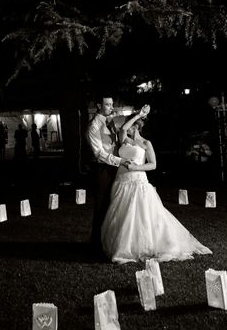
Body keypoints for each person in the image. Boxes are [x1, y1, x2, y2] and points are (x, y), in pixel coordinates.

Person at [101, 106, 212, 264]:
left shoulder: (146, 143)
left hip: (138, 181)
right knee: (121, 215)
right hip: (121, 181)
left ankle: (141, 246)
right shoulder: (124, 139)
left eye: (132, 124)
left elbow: (153, 165)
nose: (127, 127)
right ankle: (123, 245)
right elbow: (123, 128)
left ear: (138, 126)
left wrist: (136, 167)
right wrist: (138, 114)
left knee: (140, 216)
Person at [85, 94, 133, 255]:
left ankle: (112, 241)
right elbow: (98, 153)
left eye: (112, 104)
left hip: (116, 168)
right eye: (107, 105)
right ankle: (96, 245)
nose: (111, 107)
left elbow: (122, 118)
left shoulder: (110, 120)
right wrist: (120, 161)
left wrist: (139, 113)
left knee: (116, 204)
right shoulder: (93, 126)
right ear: (99, 106)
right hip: (103, 170)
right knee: (102, 206)